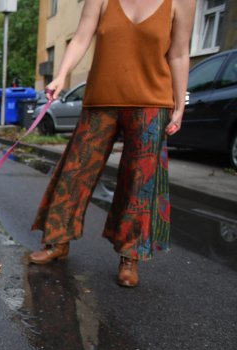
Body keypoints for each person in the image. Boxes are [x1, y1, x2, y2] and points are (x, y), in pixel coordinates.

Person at [28, 0, 195, 288]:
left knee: (138, 182)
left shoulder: (181, 2)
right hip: (100, 101)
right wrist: (61, 74)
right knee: (75, 171)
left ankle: (129, 255)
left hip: (151, 104)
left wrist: (179, 105)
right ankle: (57, 240)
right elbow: (81, 37)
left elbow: (179, 54)